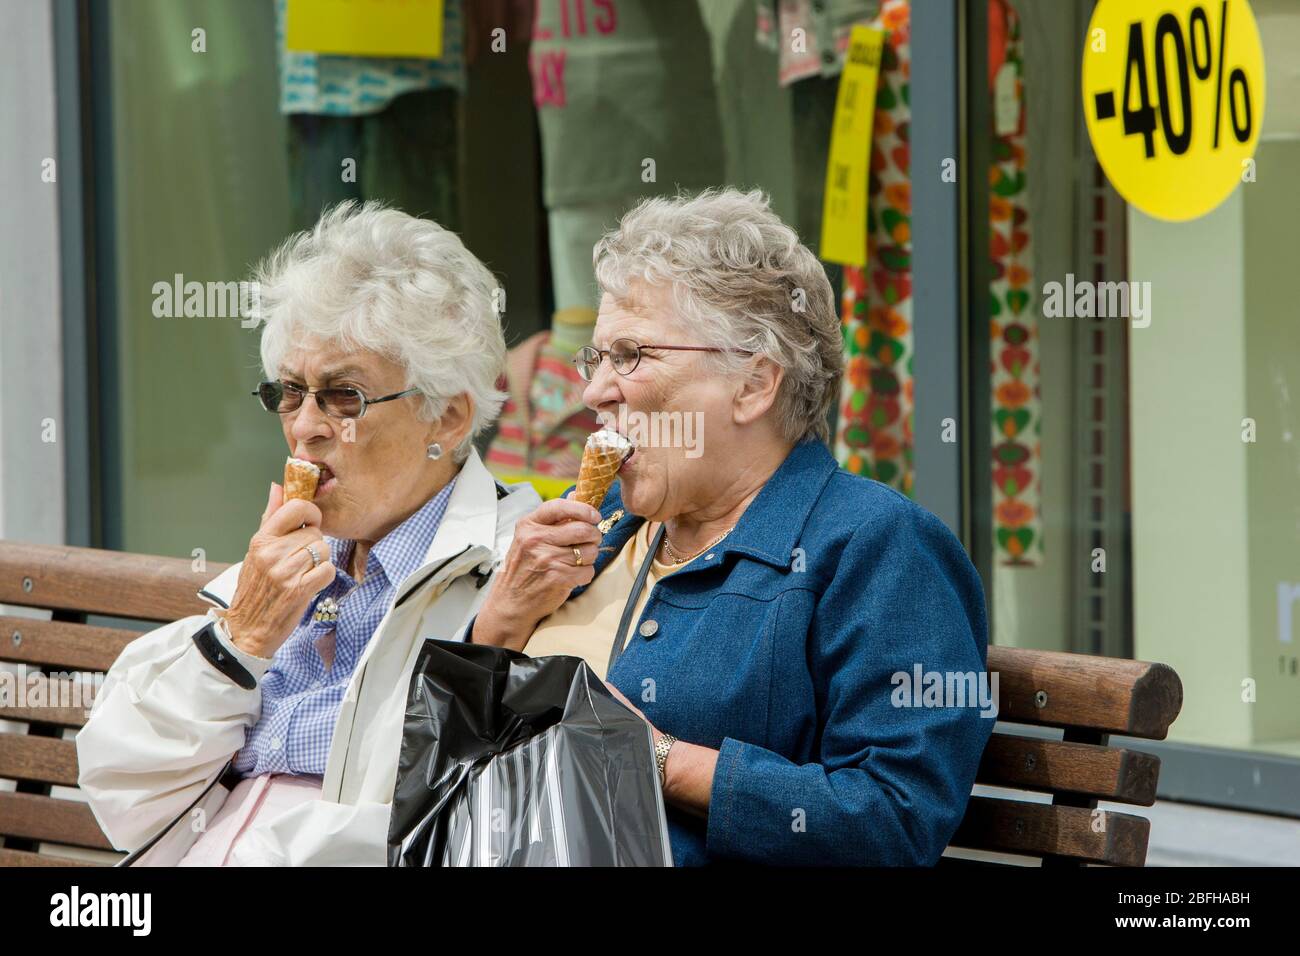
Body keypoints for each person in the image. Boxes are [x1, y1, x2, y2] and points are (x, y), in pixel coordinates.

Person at [470, 188, 994, 865]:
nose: (593, 392)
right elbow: (449, 755)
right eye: (594, 359)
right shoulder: (598, 526)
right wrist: (499, 623)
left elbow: (895, 820)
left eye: (630, 355)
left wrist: (657, 761)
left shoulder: (876, 547)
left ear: (754, 383)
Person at [77, 201, 540, 866]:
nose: (305, 428)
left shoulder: (512, 571)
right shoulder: (281, 570)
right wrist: (241, 641)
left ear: (447, 418)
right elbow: (123, 791)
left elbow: (443, 816)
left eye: (344, 396)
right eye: (291, 393)